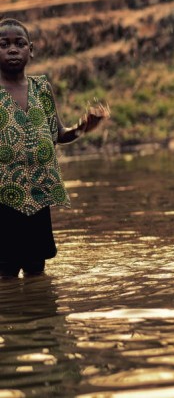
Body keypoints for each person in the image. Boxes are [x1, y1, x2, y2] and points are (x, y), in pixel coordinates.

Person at [0, 18, 109, 279]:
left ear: (32, 50)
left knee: (37, 267)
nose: (13, 49)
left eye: (20, 43)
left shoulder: (41, 89)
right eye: (4, 44)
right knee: (5, 271)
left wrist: (83, 126)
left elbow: (58, 133)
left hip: (38, 195)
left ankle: (41, 316)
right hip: (3, 198)